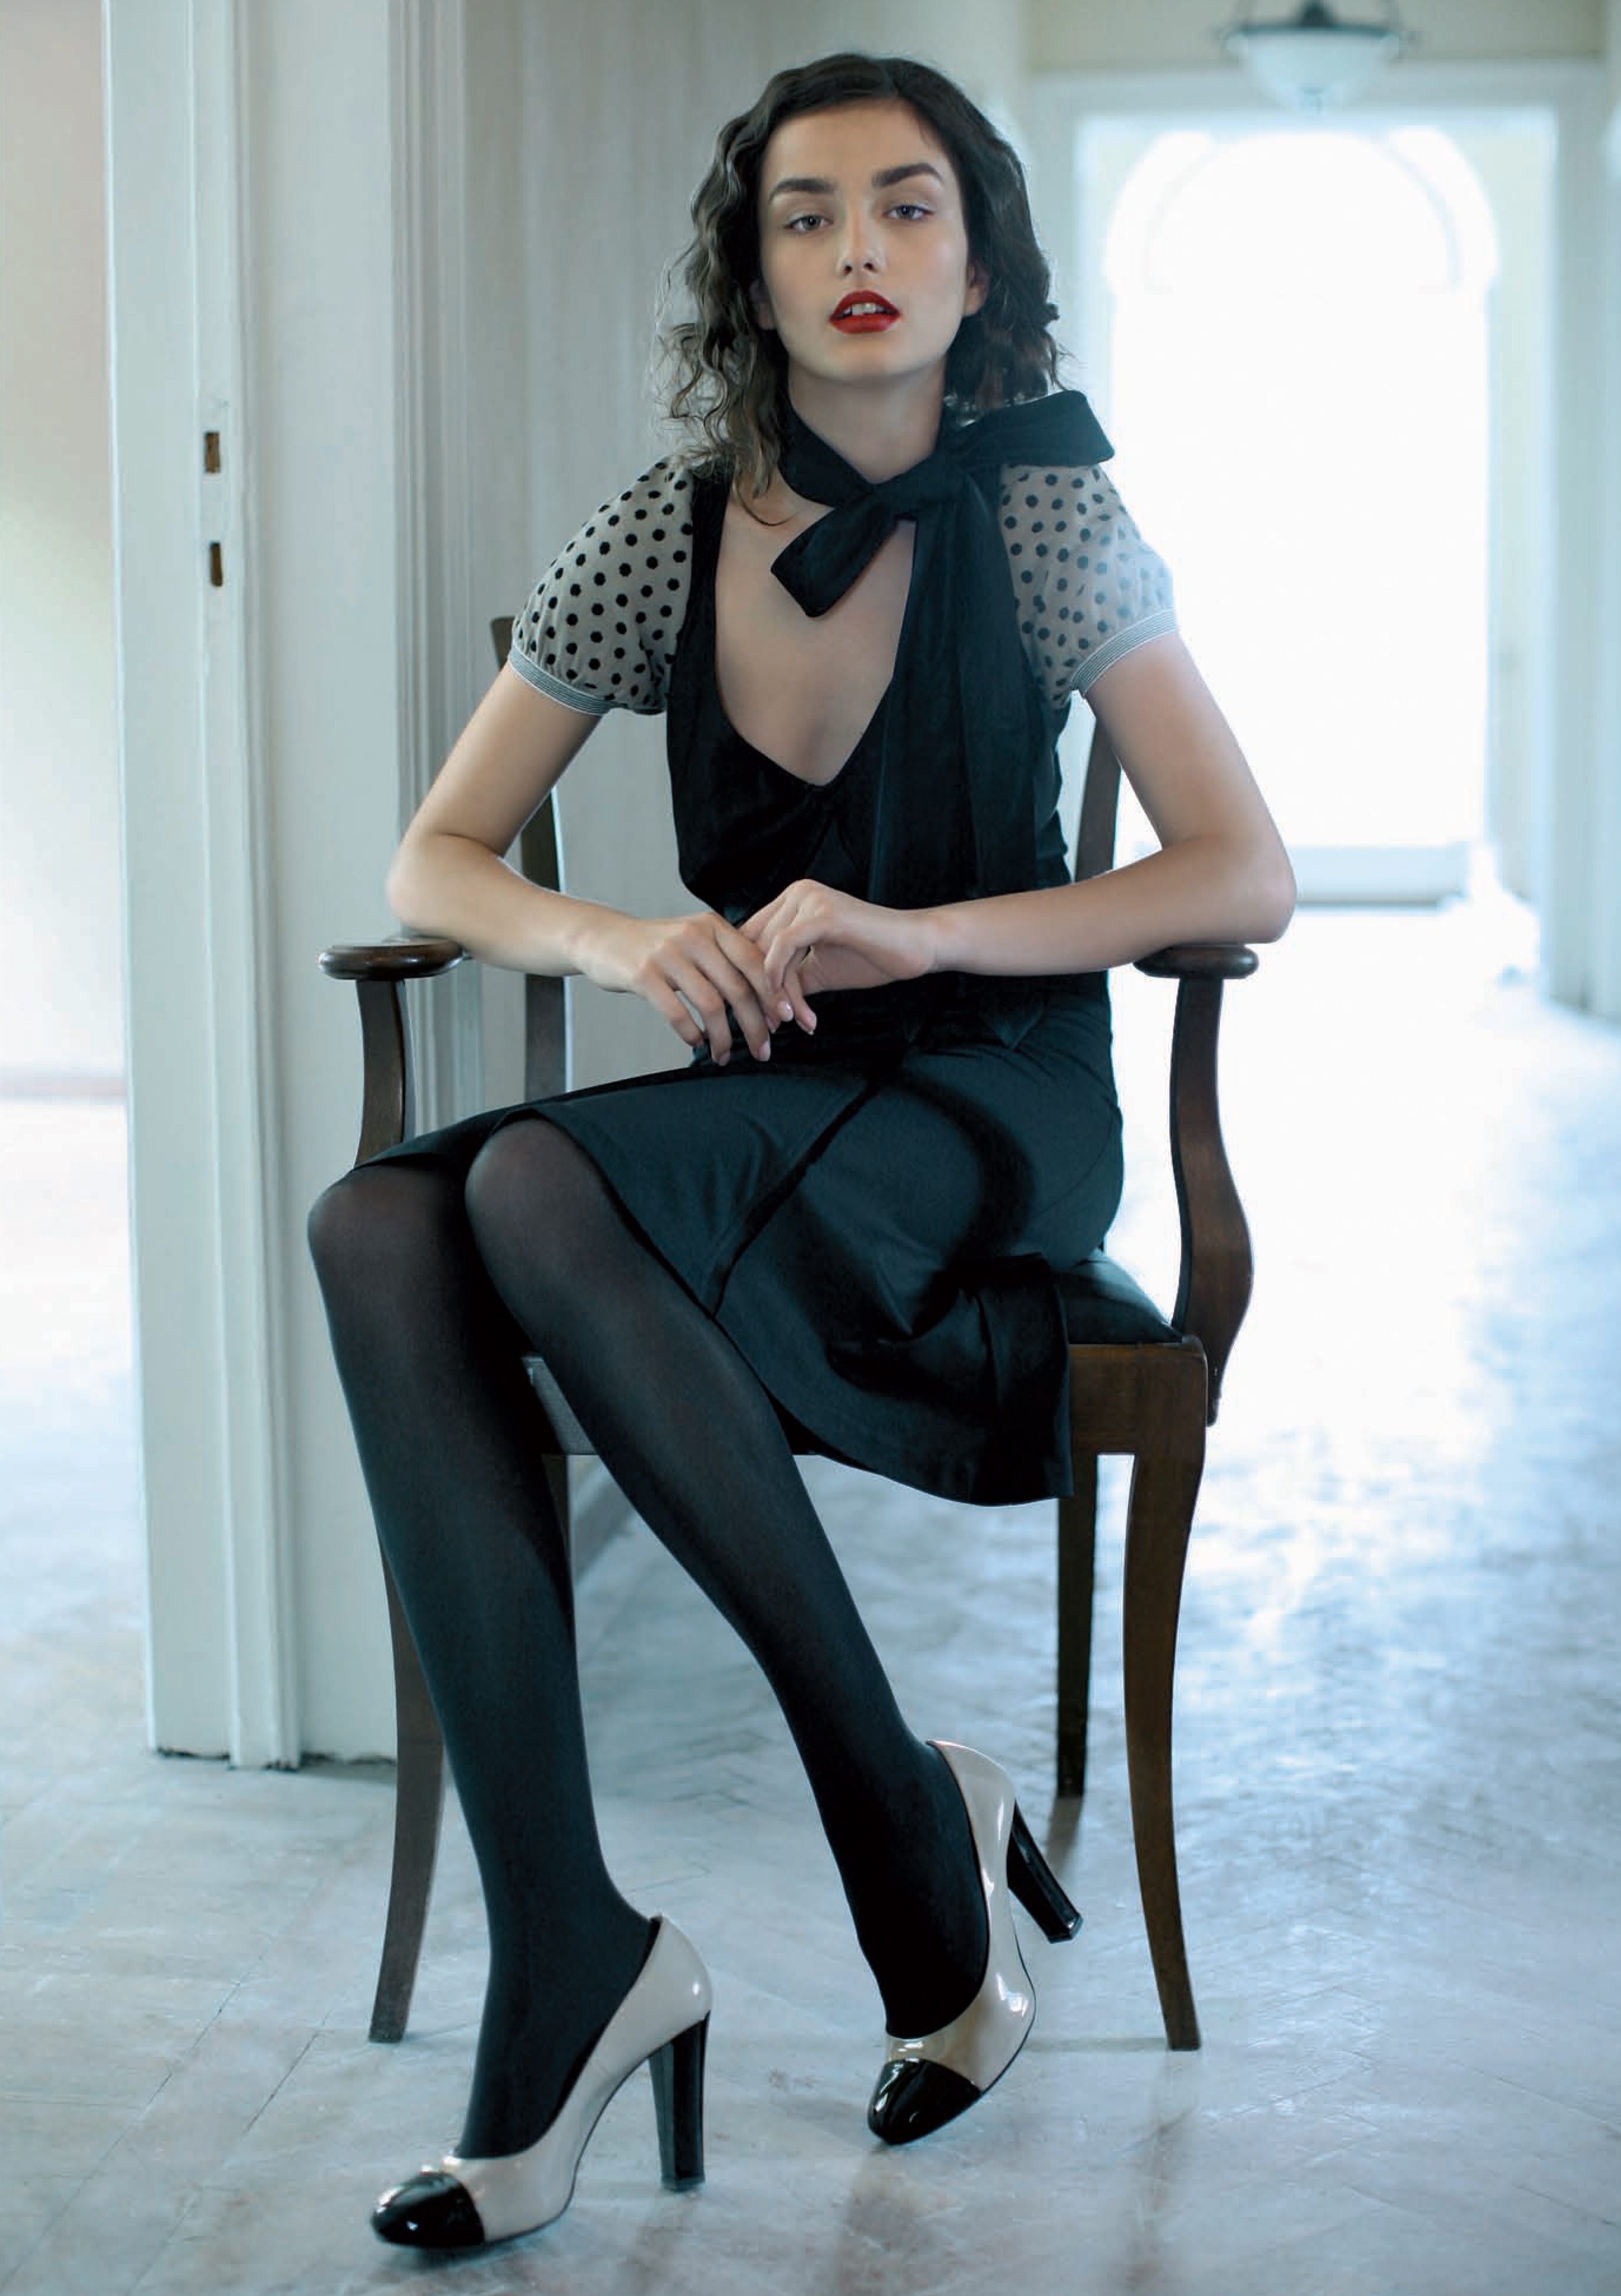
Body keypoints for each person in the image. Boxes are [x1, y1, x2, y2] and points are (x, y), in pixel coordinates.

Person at [308, 49, 1294, 2254]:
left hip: (989, 1096)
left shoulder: (1047, 510)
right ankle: (571, 1954)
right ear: (749, 276)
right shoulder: (660, 533)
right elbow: (436, 852)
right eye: (807, 214)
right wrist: (615, 936)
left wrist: (925, 930)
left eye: (908, 206)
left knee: (528, 1182)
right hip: (766, 1098)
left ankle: (898, 1849)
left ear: (980, 261)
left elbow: (1243, 869)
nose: (861, 251)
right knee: (378, 1224)